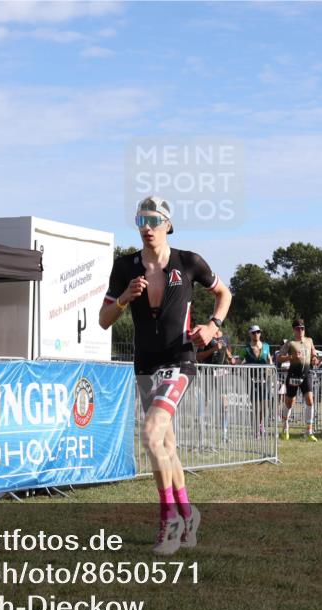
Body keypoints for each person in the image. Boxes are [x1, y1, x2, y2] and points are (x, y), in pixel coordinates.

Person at [99, 196, 230, 556]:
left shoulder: (189, 262)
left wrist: (213, 326)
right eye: (141, 220)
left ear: (168, 225)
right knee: (166, 446)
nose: (147, 227)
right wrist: (124, 298)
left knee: (150, 434)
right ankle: (189, 515)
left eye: (154, 220)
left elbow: (224, 293)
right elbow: (104, 320)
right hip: (145, 363)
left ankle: (169, 520)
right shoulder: (124, 267)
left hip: (179, 359)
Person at [276, 318, 320, 441]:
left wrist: (315, 359)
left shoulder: (309, 340)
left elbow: (314, 354)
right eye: (298, 329)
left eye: (302, 328)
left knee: (310, 400)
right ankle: (285, 427)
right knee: (289, 403)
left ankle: (309, 431)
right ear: (293, 330)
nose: (300, 331)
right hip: (293, 375)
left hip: (306, 374)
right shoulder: (290, 343)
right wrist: (291, 357)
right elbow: (279, 357)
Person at [240, 325, 272, 437]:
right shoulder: (245, 349)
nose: (256, 334)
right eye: (254, 332)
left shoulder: (266, 346)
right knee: (256, 405)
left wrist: (270, 369)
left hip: (264, 380)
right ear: (250, 334)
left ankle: (260, 424)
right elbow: (239, 362)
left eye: (258, 332)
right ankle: (256, 429)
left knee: (265, 405)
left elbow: (269, 360)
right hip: (251, 380)